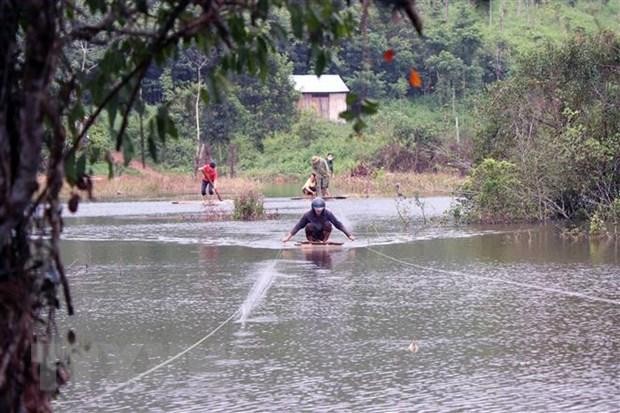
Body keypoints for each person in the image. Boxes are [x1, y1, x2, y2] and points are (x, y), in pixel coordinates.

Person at [282, 198, 355, 243]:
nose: (318, 212)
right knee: (308, 226)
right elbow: (298, 226)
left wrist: (349, 235)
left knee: (328, 224)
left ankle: (324, 241)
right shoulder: (307, 215)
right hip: (312, 235)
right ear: (313, 208)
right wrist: (287, 238)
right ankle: (311, 241)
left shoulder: (328, 213)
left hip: (323, 235)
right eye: (317, 210)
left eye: (320, 210)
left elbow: (338, 224)